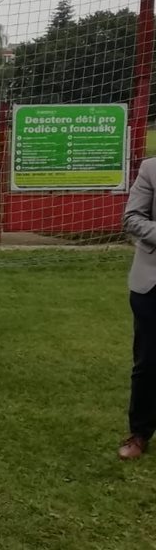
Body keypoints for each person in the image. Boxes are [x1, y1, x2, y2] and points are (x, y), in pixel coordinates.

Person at [120, 155, 156, 460]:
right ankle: (140, 433)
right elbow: (132, 218)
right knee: (148, 362)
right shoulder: (151, 169)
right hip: (151, 285)